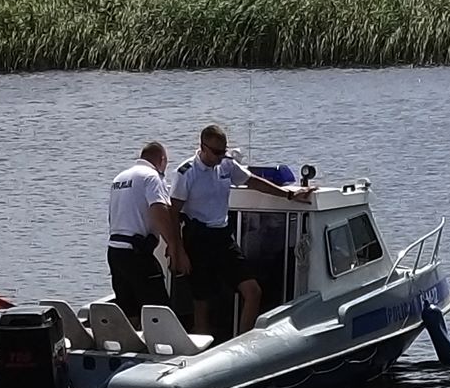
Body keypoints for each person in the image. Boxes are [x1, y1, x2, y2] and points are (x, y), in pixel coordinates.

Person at [171, 124, 314, 338]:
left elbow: (253, 182)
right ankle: (197, 350)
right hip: (197, 239)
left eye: (224, 151)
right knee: (203, 305)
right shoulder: (186, 173)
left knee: (253, 291)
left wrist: (288, 195)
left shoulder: (227, 165)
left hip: (222, 237)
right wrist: (178, 251)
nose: (221, 156)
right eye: (216, 152)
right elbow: (172, 213)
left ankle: (243, 341)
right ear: (202, 147)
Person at [107, 141, 181, 323]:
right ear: (162, 160)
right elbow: (158, 210)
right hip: (137, 254)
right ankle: (163, 347)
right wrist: (173, 245)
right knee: (160, 310)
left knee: (129, 308)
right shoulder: (152, 177)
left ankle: (131, 345)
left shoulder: (119, 179)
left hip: (115, 252)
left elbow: (112, 215)